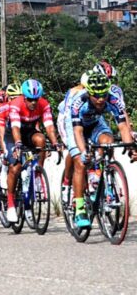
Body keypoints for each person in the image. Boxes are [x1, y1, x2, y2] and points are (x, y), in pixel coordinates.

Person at [65, 72, 136, 228]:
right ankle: (80, 209)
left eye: (103, 95)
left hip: (96, 123)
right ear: (89, 92)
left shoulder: (113, 100)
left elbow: (123, 127)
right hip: (77, 127)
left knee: (108, 141)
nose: (101, 99)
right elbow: (77, 132)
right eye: (96, 96)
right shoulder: (79, 101)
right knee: (80, 162)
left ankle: (103, 176)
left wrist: (131, 149)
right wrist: (83, 152)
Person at [4, 79, 60, 223]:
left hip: (29, 132)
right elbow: (15, 127)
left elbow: (49, 126)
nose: (33, 103)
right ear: (24, 97)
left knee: (41, 139)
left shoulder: (44, 104)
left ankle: (37, 172)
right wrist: (17, 144)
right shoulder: (16, 104)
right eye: (30, 99)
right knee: (15, 167)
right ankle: (10, 204)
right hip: (13, 135)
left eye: (36, 99)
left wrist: (55, 143)